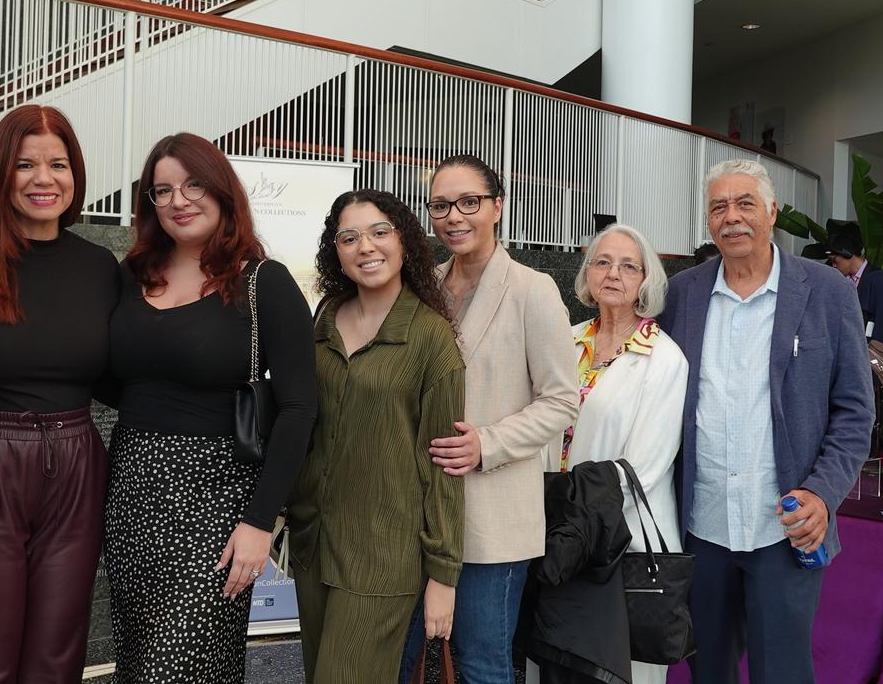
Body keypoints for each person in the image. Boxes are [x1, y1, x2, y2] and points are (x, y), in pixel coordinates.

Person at [104, 133, 316, 683]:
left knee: (176, 665)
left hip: (216, 498)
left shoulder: (261, 281)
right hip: (132, 488)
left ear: (222, 191)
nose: (179, 199)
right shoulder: (130, 278)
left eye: (194, 183)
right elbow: (112, 383)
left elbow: (298, 407)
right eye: (163, 190)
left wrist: (259, 520)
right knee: (139, 658)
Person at [659, 158, 873, 684]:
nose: (732, 217)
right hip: (701, 527)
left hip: (785, 527)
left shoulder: (826, 291)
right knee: (707, 671)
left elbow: (854, 412)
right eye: (719, 207)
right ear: (708, 221)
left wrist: (823, 494)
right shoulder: (681, 294)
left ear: (772, 211)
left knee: (783, 673)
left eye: (745, 203)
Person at [0, 105, 120, 683]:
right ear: (0, 172)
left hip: (75, 461)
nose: (44, 179)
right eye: (25, 164)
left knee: (58, 650)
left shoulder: (98, 266)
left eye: (58, 164)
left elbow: (121, 375)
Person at [400, 154, 578, 684]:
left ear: (497, 207)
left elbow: (562, 400)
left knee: (481, 663)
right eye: (440, 205)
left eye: (469, 202)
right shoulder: (421, 286)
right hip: (419, 508)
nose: (453, 216)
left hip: (493, 516)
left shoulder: (533, 289)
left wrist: (489, 444)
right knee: (403, 656)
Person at [288, 189, 465, 681]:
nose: (366, 247)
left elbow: (444, 466)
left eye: (379, 232)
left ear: (405, 243)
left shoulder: (431, 338)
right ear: (336, 254)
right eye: (349, 237)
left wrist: (443, 576)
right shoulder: (324, 318)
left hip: (382, 556)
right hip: (314, 542)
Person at [534, 223, 688, 684]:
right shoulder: (565, 338)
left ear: (646, 280)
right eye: (602, 261)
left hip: (617, 541)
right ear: (587, 273)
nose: (613, 273)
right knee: (558, 661)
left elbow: (646, 465)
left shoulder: (664, 358)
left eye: (628, 265)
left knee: (612, 668)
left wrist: (574, 519)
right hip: (556, 533)